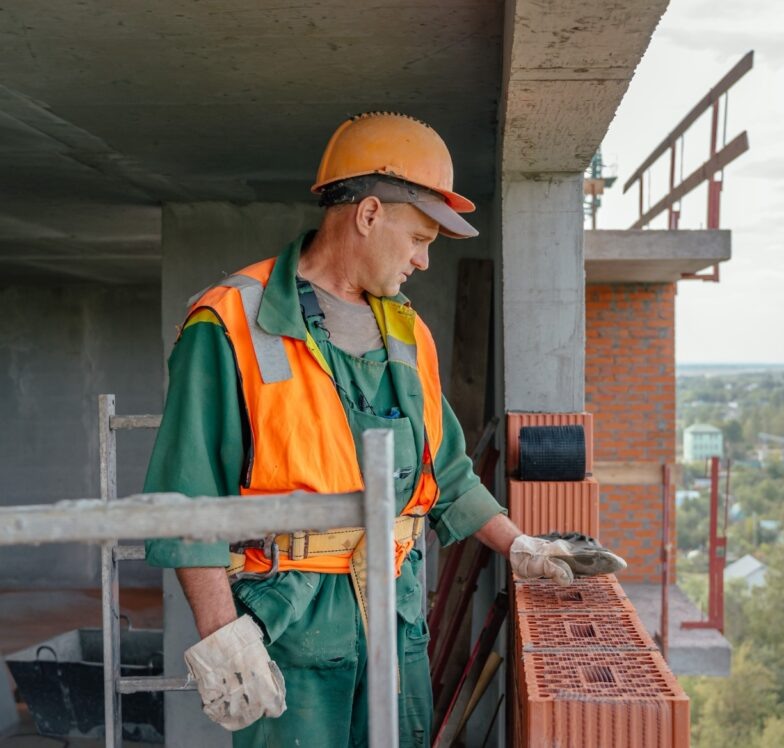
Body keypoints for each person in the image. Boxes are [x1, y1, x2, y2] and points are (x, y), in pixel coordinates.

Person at [144, 112, 578, 747]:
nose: (426, 261)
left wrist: (522, 548)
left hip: (395, 617)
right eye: (420, 238)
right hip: (288, 622)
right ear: (370, 214)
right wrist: (221, 633)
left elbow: (447, 473)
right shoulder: (232, 319)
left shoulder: (407, 330)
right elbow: (187, 496)